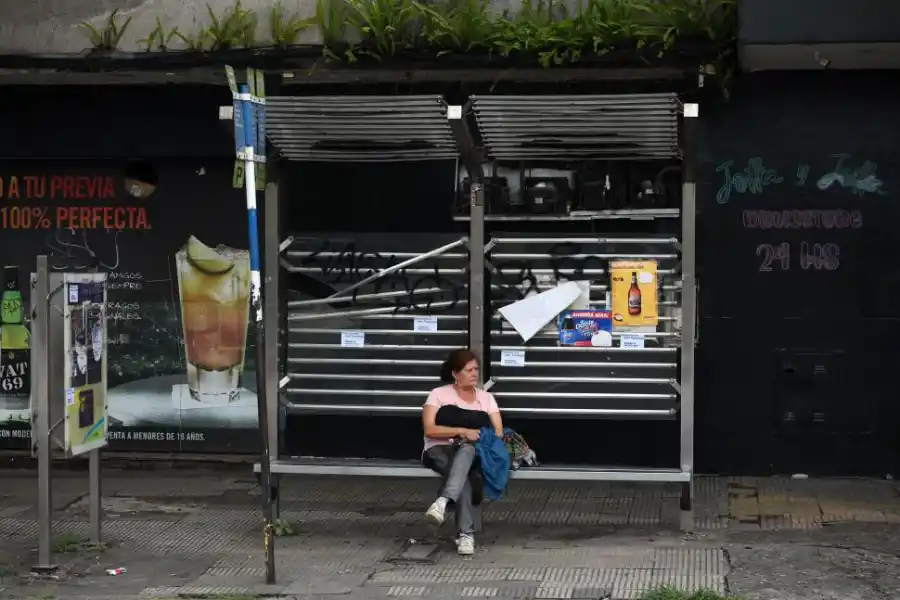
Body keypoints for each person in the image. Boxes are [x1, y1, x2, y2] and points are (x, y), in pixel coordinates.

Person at [421, 348, 504, 556]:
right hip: (439, 450)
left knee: (466, 451)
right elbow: (430, 429)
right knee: (464, 477)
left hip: (472, 451)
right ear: (455, 374)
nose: (475, 373)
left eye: (476, 369)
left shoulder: (486, 399)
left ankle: (442, 502)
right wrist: (461, 430)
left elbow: (498, 432)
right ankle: (466, 534)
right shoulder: (438, 395)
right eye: (469, 370)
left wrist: (478, 437)